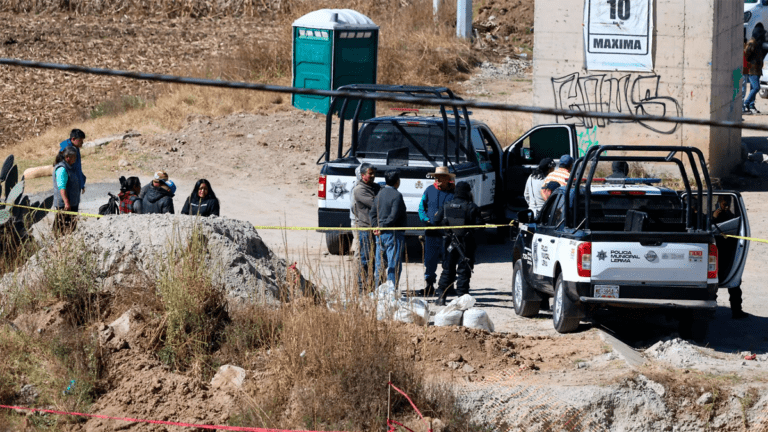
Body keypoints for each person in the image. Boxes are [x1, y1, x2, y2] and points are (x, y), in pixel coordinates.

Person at [432, 181, 481, 306]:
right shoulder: (472, 207)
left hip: (449, 242)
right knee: (464, 271)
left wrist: (447, 227)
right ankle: (461, 298)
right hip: (466, 243)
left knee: (448, 269)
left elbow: (436, 220)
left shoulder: (446, 205)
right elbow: (480, 226)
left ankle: (441, 297)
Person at [415, 166, 456, 297]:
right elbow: (421, 207)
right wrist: (425, 220)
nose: (437, 180)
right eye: (436, 178)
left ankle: (448, 286)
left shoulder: (453, 192)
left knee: (448, 260)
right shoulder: (429, 190)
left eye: (440, 178)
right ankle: (429, 285)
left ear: (447, 179)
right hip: (431, 232)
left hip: (446, 233)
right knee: (430, 260)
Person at [712, 195, 747, 319]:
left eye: (727, 205)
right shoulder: (712, 216)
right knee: (713, 283)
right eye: (723, 204)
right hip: (714, 254)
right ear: (718, 203)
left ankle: (737, 311)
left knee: (734, 283)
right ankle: (710, 311)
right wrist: (713, 218)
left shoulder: (732, 217)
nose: (725, 207)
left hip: (728, 254)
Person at [370, 170, 407, 288]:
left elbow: (372, 213)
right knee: (393, 264)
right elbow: (393, 216)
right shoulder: (397, 195)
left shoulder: (379, 194)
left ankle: (377, 289)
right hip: (393, 234)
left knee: (379, 264)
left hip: (381, 234)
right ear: (397, 181)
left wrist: (376, 227)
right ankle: (390, 291)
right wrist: (382, 227)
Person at [352, 163, 381, 291]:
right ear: (363, 175)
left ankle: (371, 285)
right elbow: (377, 203)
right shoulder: (359, 190)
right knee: (364, 258)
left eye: (374, 173)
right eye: (370, 173)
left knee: (375, 259)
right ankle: (361, 286)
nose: (373, 176)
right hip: (365, 228)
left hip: (376, 227)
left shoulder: (376, 187)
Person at [52, 146, 81, 235]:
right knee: (61, 230)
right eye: (74, 157)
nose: (76, 158)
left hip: (72, 204)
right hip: (65, 205)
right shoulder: (62, 169)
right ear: (67, 157)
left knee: (71, 229)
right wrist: (66, 202)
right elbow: (62, 188)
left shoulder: (70, 167)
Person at [744, 24, 767, 115]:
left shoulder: (758, 43)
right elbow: (746, 54)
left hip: (757, 70)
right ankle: (746, 103)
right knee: (756, 87)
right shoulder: (752, 42)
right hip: (752, 70)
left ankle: (751, 105)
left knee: (753, 88)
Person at [58, 129, 86, 195]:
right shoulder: (66, 150)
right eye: (80, 140)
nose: (82, 142)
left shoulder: (76, 147)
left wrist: (81, 183)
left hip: (76, 181)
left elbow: (78, 167)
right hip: (69, 185)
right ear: (73, 139)